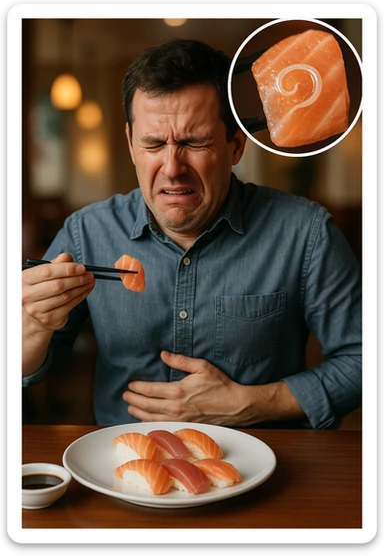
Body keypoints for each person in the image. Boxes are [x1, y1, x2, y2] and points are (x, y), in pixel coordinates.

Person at [22, 38, 362, 429]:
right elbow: (27, 372)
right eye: (153, 144)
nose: (172, 168)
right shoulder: (86, 232)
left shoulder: (306, 233)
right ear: (131, 144)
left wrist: (254, 403)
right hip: (124, 471)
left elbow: (362, 360)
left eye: (193, 142)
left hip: (267, 471)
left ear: (235, 146)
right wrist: (30, 325)